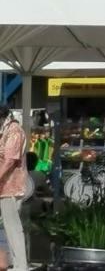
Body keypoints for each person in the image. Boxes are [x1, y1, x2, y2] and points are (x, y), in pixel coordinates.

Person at [0, 108, 27, 271]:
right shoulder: (5, 131)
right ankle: (17, 264)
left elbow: (10, 160)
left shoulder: (15, 131)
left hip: (11, 186)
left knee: (14, 228)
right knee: (9, 229)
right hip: (4, 187)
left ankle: (21, 266)